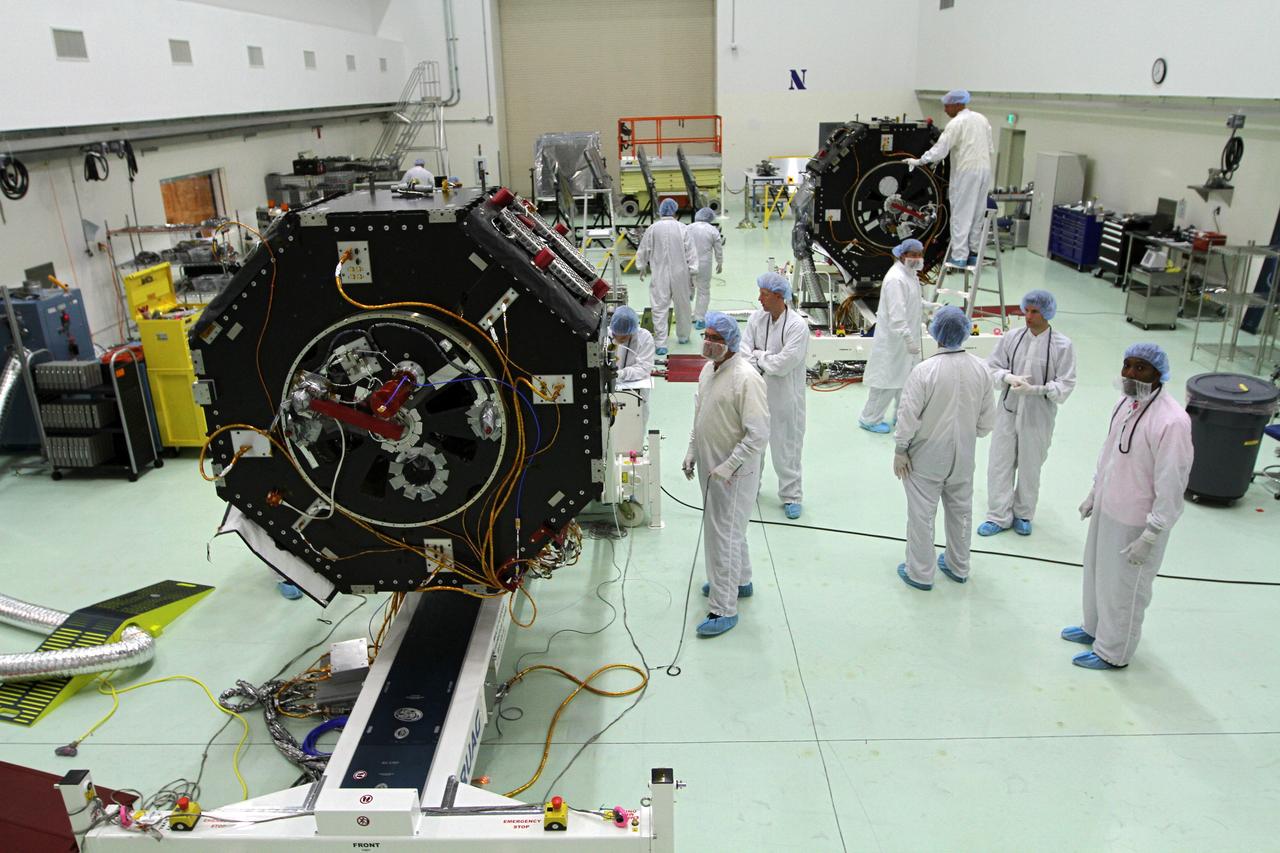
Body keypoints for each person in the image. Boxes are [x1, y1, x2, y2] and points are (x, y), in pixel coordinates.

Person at [1063, 343, 1193, 670]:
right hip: (1109, 507)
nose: (1130, 374)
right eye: (1127, 365)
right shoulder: (1126, 404)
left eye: (1141, 368)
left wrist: (1153, 532)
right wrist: (1095, 492)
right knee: (1097, 574)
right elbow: (1108, 452)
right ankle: (1094, 628)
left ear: (1158, 374)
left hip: (1137, 522)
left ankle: (1114, 652)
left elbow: (1172, 481)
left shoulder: (1172, 421)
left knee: (1125, 589)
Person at [893, 306, 995, 590]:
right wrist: (965, 434)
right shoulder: (981, 368)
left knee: (922, 514)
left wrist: (901, 449)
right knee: (961, 511)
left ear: (934, 331)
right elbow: (987, 421)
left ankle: (920, 573)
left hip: (926, 457)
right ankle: (958, 566)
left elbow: (908, 416)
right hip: (964, 455)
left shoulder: (924, 371)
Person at [683, 311, 769, 638]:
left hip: (734, 474)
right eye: (706, 335)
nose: (708, 343)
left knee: (724, 537)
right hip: (712, 467)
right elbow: (700, 414)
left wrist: (729, 465)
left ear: (732, 342)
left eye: (716, 339)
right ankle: (740, 580)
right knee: (729, 530)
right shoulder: (709, 371)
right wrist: (692, 451)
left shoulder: (746, 378)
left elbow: (758, 434)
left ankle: (723, 607)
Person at [979, 289, 1077, 537]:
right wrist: (1007, 377)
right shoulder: (1012, 338)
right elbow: (991, 368)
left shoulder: (1062, 346)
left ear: (1047, 313)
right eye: (1027, 310)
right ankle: (998, 516)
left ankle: (1023, 514)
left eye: (1035, 311)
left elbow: (1066, 383)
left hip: (1039, 415)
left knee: (1031, 465)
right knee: (1000, 463)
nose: (1028, 316)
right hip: (1008, 410)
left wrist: (1038, 389)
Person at [741, 272, 808, 519]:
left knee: (786, 449)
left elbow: (784, 365)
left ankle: (791, 496)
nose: (759, 298)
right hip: (756, 395)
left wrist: (760, 356)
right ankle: (750, 489)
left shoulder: (796, 326)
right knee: (752, 445)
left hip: (785, 400)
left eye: (764, 294)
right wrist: (761, 358)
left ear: (779, 297)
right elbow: (743, 351)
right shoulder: (757, 319)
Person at [906, 89, 994, 267]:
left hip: (966, 171)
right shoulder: (982, 119)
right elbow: (990, 148)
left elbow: (940, 150)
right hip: (985, 170)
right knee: (978, 212)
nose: (945, 110)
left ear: (957, 104)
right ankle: (974, 253)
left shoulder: (957, 123)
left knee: (962, 213)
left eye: (947, 106)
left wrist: (920, 161)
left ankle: (960, 256)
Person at [859, 238, 936, 434]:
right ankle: (869, 419)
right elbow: (897, 315)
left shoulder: (910, 274)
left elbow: (913, 299)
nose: (917, 259)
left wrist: (930, 307)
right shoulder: (895, 279)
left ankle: (902, 418)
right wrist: (908, 339)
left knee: (906, 383)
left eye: (919, 255)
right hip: (894, 342)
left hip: (905, 342)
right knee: (886, 382)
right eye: (913, 255)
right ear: (902, 255)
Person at [635, 198, 698, 354]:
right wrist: (693, 271)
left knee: (659, 307)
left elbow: (643, 249)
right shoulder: (683, 228)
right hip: (681, 273)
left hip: (659, 274)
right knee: (683, 306)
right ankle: (683, 336)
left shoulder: (653, 228)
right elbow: (691, 251)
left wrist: (641, 266)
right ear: (675, 211)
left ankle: (661, 343)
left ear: (661, 211)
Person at [609, 305, 656, 431]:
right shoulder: (607, 335)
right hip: (609, 388)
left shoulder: (644, 338)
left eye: (623, 337)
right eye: (615, 335)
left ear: (632, 331)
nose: (619, 340)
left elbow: (644, 368)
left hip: (637, 390)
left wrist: (622, 374)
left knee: (636, 427)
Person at [687, 207, 724, 329]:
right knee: (703, 291)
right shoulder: (712, 230)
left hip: (688, 263)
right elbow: (718, 249)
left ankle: (685, 317)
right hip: (704, 264)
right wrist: (720, 262)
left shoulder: (688, 228)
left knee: (686, 290)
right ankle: (700, 319)